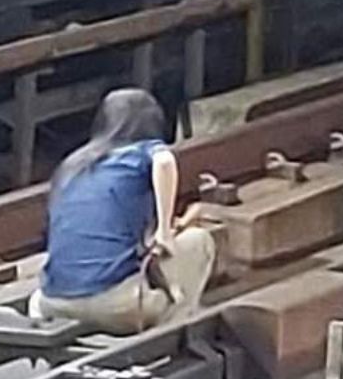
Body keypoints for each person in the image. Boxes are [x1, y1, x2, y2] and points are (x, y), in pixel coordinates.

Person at [28, 88, 216, 335]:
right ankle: (172, 334)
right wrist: (165, 232)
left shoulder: (74, 164)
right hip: (116, 307)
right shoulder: (142, 152)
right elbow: (165, 161)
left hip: (52, 305)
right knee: (200, 242)